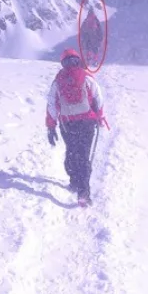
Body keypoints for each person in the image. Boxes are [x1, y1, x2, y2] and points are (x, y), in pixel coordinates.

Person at [45, 48, 105, 205]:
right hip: (87, 122)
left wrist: (51, 126)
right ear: (78, 60)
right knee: (84, 155)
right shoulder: (86, 77)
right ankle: (83, 191)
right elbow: (98, 97)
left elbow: (51, 103)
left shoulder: (58, 80)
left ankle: (73, 180)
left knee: (72, 151)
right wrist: (99, 116)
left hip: (67, 123)